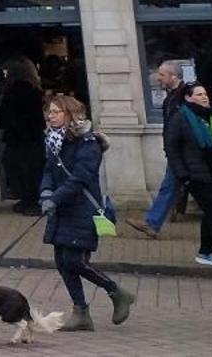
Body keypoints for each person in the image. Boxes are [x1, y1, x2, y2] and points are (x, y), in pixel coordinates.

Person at [38, 94, 134, 332]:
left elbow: (81, 177)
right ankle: (80, 311)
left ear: (70, 114)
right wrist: (46, 191)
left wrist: (55, 198)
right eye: (49, 112)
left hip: (83, 208)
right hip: (61, 209)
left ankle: (115, 291)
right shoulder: (52, 140)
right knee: (61, 261)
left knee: (74, 260)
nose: (51, 116)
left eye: (56, 112)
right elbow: (49, 169)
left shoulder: (88, 143)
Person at [164, 83, 212, 267]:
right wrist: (182, 175)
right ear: (187, 98)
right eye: (199, 94)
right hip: (197, 175)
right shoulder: (180, 118)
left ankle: (205, 252)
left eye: (205, 93)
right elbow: (171, 148)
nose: (204, 97)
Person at [128, 60, 189, 239]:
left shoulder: (186, 95)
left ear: (174, 76)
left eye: (162, 75)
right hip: (177, 151)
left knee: (209, 194)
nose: (157, 78)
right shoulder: (172, 96)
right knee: (169, 187)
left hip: (187, 152)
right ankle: (152, 223)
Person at [0, 57, 46, 215]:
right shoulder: (31, 88)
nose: (4, 75)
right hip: (31, 136)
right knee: (28, 169)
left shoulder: (19, 89)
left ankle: (31, 201)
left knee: (22, 169)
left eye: (6, 72)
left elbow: (7, 110)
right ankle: (29, 200)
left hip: (22, 137)